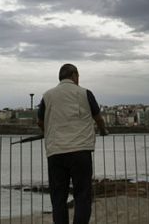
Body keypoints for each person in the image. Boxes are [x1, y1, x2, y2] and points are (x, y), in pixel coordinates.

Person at [37, 63, 108, 224]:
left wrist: (48, 130)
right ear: (74, 75)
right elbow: (98, 118)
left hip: (56, 152)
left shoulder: (47, 96)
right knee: (82, 195)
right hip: (80, 150)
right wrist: (103, 130)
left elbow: (40, 121)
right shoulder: (85, 93)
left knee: (58, 198)